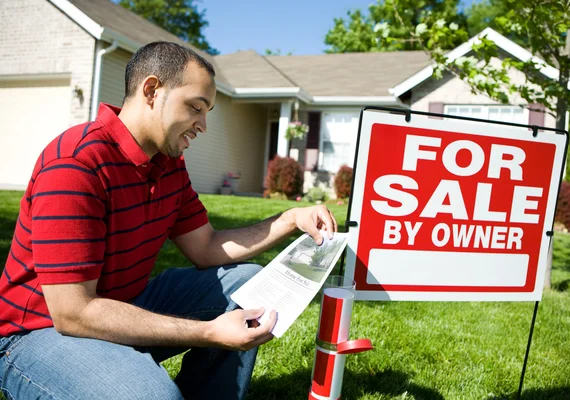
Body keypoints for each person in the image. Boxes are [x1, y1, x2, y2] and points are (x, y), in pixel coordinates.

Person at [0, 41, 338, 400]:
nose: (203, 125)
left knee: (249, 286)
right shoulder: (76, 164)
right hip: (39, 333)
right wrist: (208, 332)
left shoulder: (168, 163)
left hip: (124, 302)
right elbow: (73, 312)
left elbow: (207, 248)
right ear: (151, 90)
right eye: (195, 107)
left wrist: (289, 219)